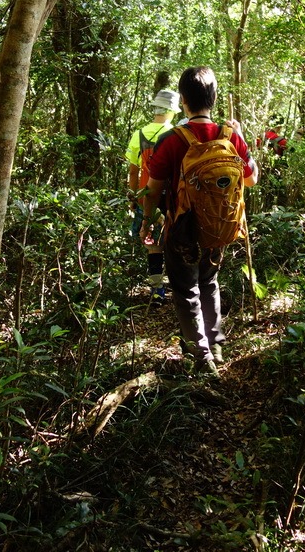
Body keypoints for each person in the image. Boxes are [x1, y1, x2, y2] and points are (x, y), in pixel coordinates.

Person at [141, 66, 258, 378]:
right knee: (208, 282)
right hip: (218, 228)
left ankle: (202, 356)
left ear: (183, 100)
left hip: (181, 229)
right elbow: (251, 179)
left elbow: (152, 190)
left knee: (185, 288)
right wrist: (243, 138)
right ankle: (216, 345)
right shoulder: (231, 137)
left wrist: (146, 221)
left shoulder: (172, 140)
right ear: (214, 98)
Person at [125, 88, 180, 305]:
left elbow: (132, 171)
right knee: (175, 243)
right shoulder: (177, 135)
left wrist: (133, 197)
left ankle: (157, 292)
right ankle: (180, 291)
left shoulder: (139, 134)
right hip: (173, 198)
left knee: (153, 244)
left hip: (147, 196)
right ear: (172, 111)